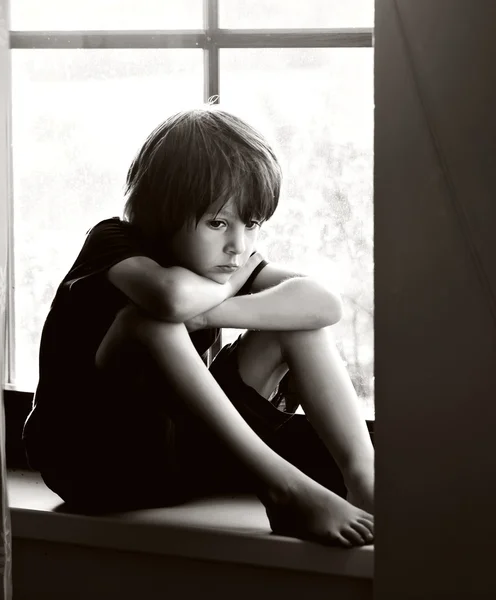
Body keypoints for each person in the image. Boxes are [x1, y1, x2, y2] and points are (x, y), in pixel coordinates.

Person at [22, 106, 374, 548]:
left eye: (253, 224)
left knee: (297, 323)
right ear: (163, 211)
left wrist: (208, 314)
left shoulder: (228, 259)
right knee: (149, 323)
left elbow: (323, 304)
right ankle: (284, 488)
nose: (238, 245)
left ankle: (365, 480)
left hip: (181, 459)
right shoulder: (112, 241)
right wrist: (227, 292)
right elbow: (170, 299)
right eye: (218, 222)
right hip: (95, 466)